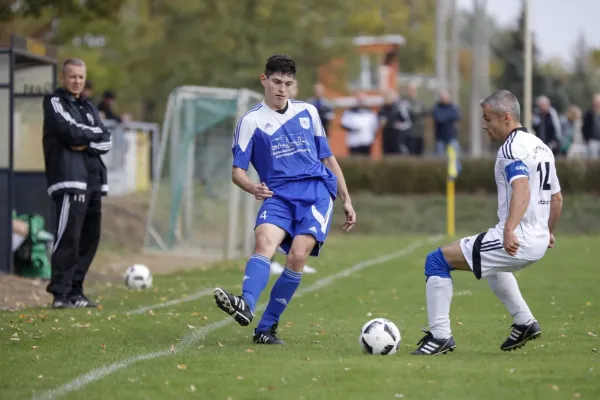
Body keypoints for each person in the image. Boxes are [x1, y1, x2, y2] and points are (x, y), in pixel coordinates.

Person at [213, 54, 356, 345]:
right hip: (277, 195)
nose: (282, 89)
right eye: (277, 82)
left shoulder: (308, 112)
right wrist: (252, 187)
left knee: (297, 256)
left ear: (294, 85)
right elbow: (236, 172)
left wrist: (346, 199)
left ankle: (266, 328)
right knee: (264, 243)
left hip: (315, 193)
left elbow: (328, 158)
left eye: (288, 84)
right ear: (264, 80)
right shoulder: (250, 122)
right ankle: (246, 304)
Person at [411, 90, 563, 355]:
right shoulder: (541, 146)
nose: (484, 125)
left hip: (518, 238)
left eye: (487, 118)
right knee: (494, 269)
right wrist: (549, 231)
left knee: (436, 260)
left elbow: (522, 189)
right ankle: (525, 322)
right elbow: (557, 198)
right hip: (537, 239)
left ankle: (440, 337)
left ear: (506, 117)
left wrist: (508, 229)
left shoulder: (511, 147)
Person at [42, 58, 112, 309]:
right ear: (63, 78)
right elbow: (69, 131)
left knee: (89, 237)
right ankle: (60, 293)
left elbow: (106, 140)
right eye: (72, 76)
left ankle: (75, 291)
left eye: (81, 77)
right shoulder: (54, 102)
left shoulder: (89, 106)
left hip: (93, 181)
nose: (77, 81)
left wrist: (86, 140)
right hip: (69, 178)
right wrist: (90, 135)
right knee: (68, 237)